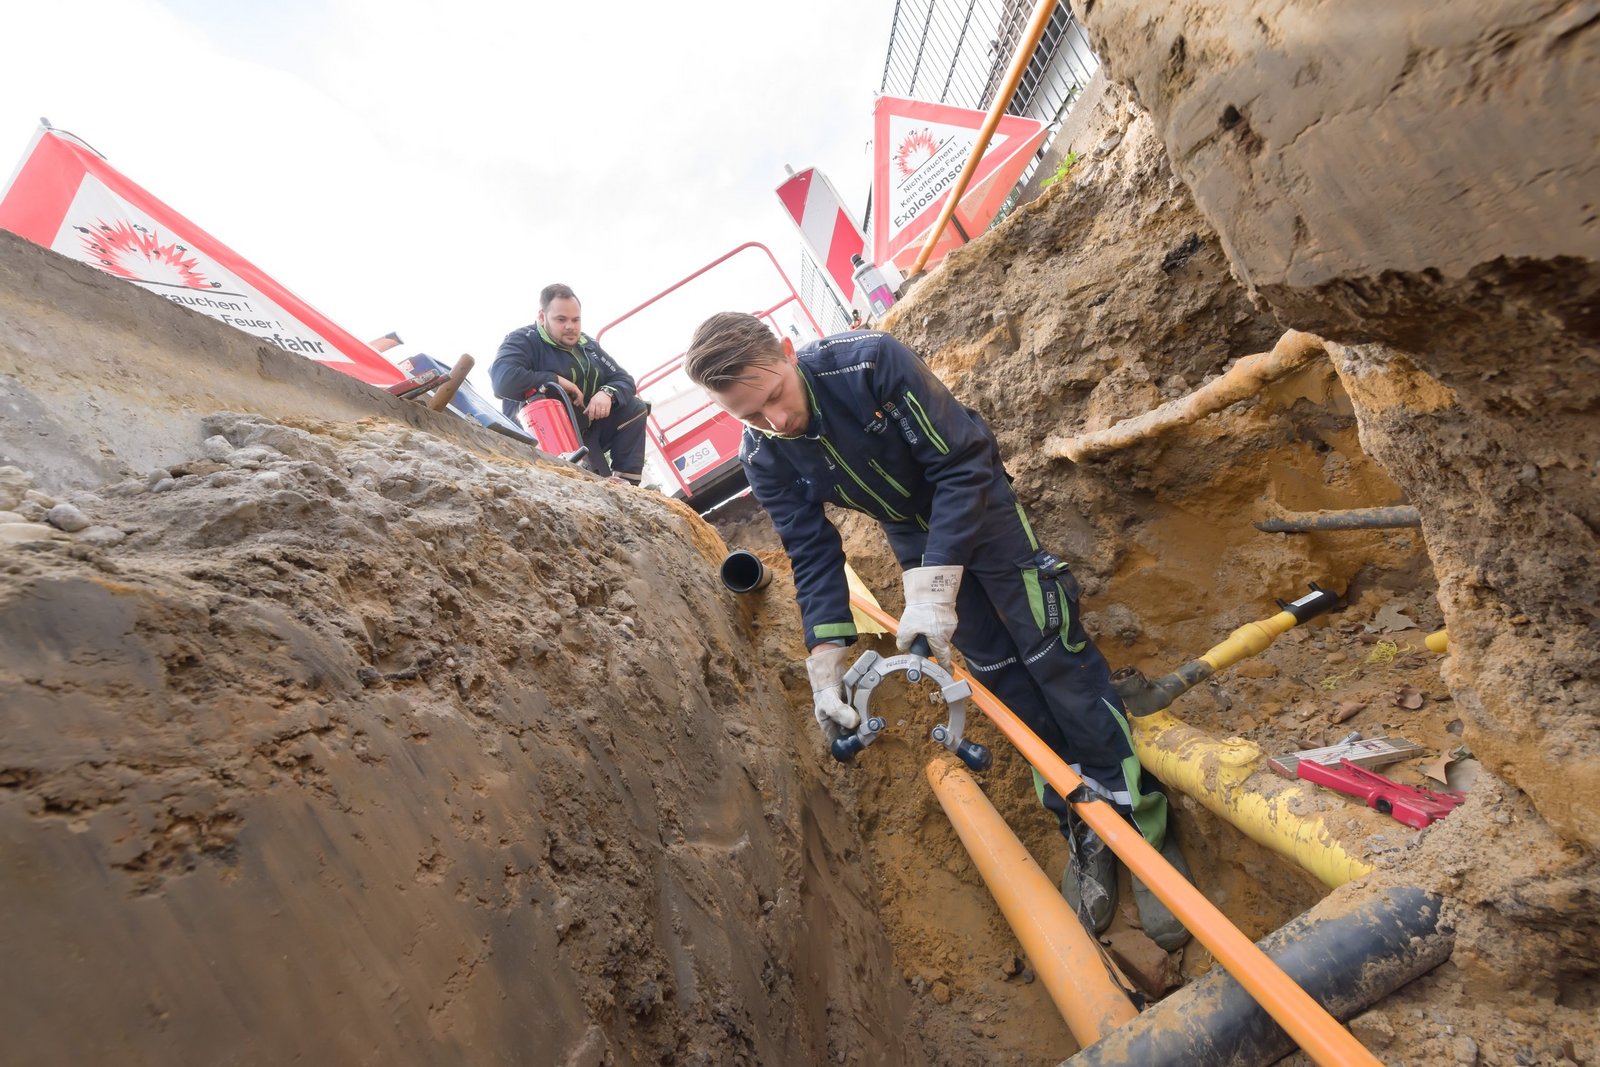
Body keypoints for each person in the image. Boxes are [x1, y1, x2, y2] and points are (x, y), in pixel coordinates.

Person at [683, 313, 1192, 948]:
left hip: (977, 504)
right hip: (910, 533)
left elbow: (963, 464)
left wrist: (934, 585)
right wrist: (825, 660)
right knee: (1002, 678)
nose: (776, 422)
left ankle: (1141, 823)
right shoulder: (764, 455)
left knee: (1051, 653)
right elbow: (813, 553)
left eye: (775, 397)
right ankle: (1081, 821)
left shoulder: (867, 363)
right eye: (750, 416)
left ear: (788, 353)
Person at [491, 284, 649, 484]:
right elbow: (501, 381)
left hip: (585, 433)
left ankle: (628, 485)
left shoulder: (588, 345)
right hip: (538, 438)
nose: (570, 326)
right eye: (561, 319)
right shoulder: (522, 340)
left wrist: (607, 393)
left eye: (576, 320)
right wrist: (555, 380)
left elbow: (624, 379)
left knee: (635, 407)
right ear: (542, 316)